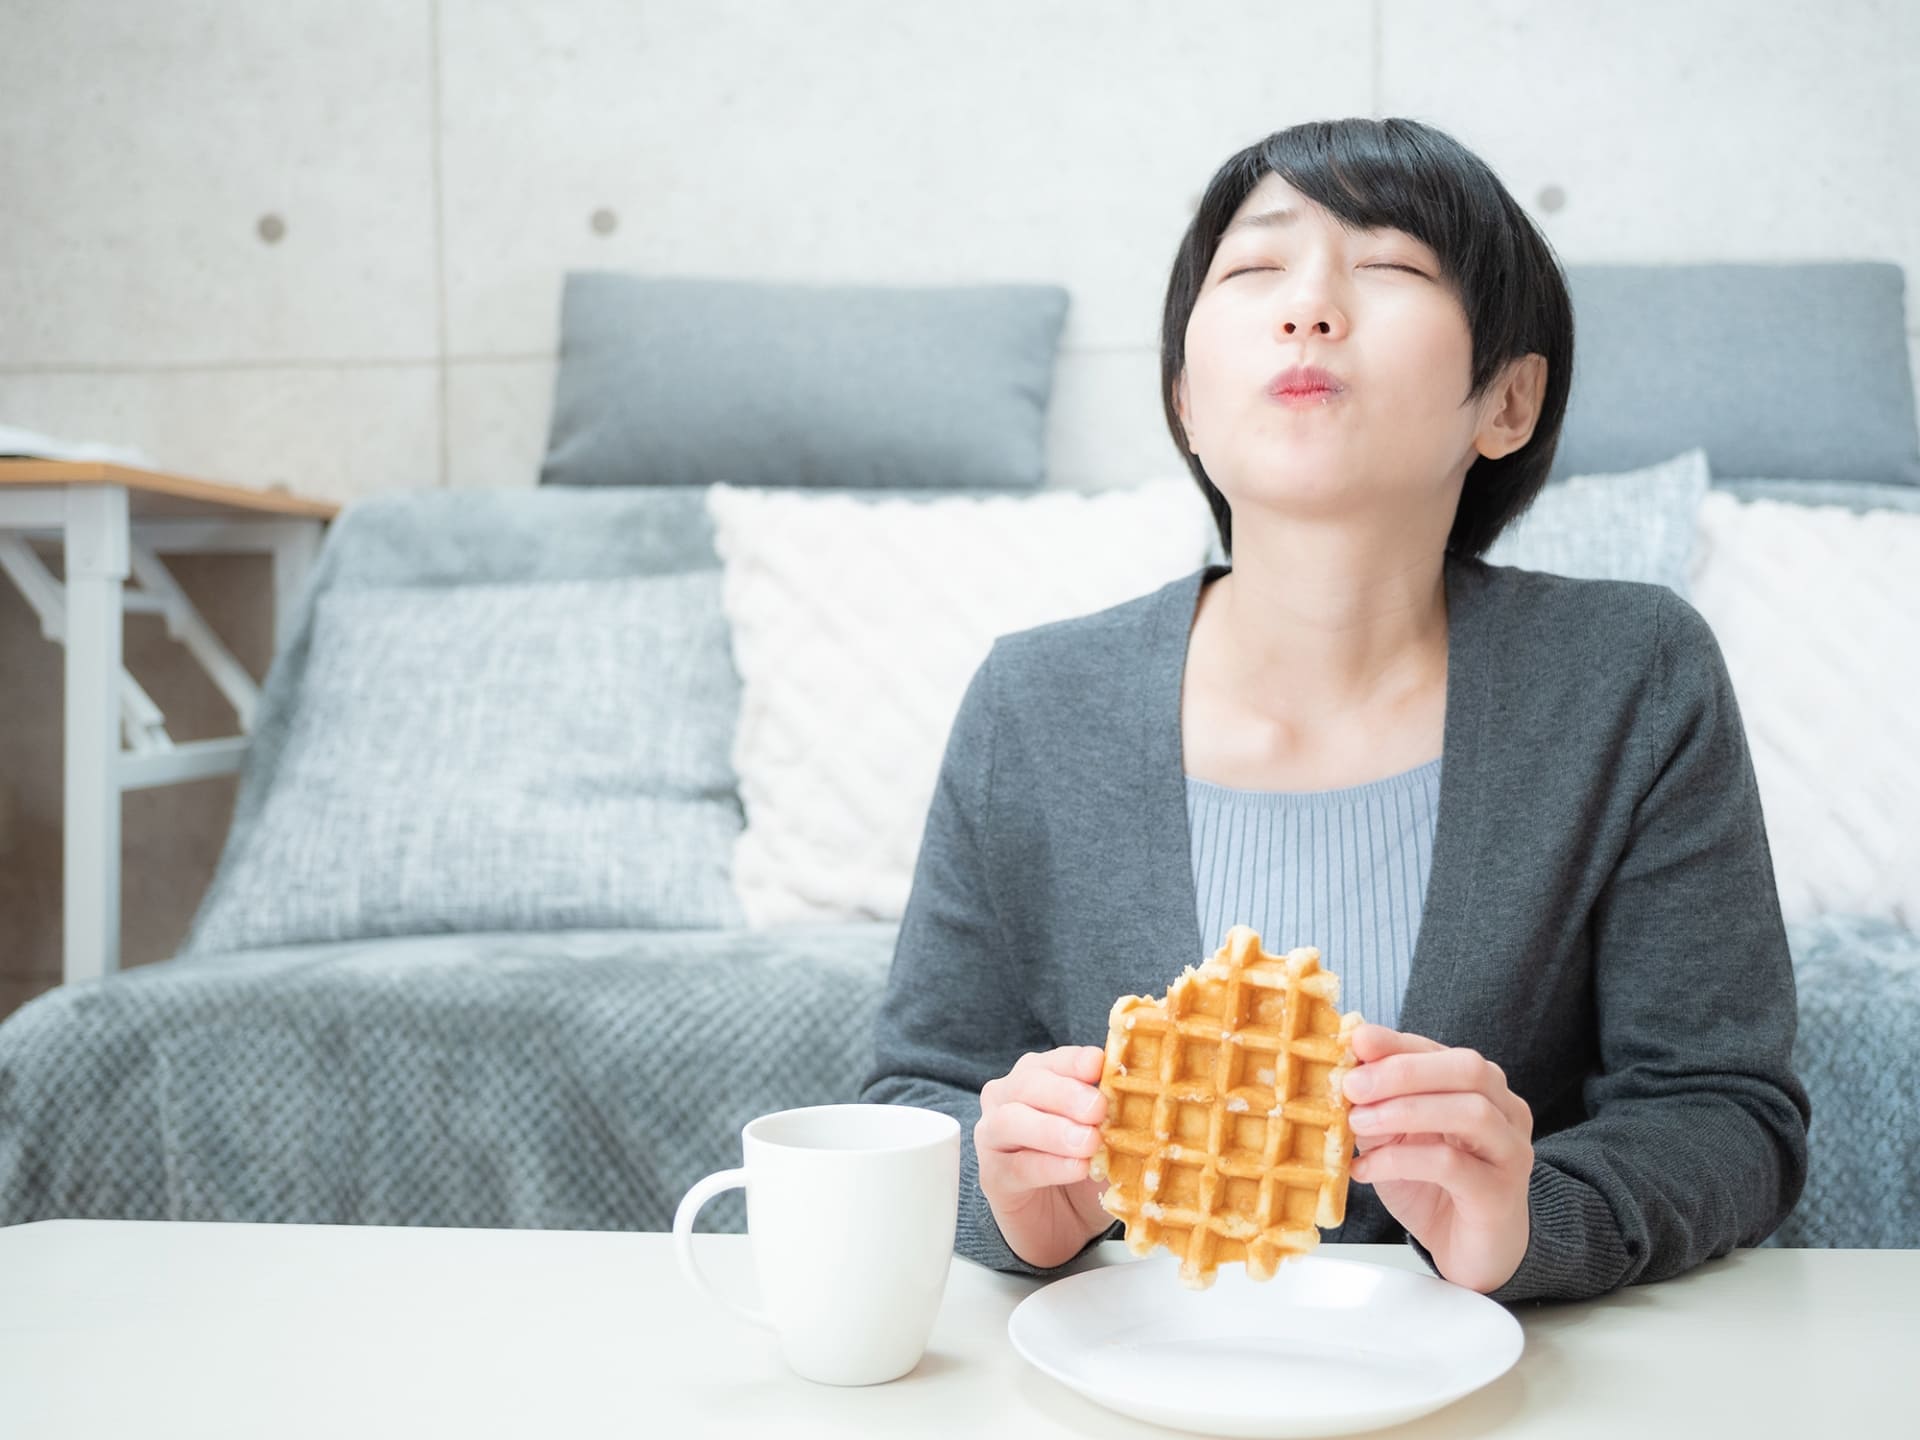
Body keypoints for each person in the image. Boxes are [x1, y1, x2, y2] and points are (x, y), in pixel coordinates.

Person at [858, 116, 1810, 1304]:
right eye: (1255, 269)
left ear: (1507, 401)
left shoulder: (1631, 676)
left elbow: (1727, 1113)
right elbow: (914, 1095)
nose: (1308, 308)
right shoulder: (1035, 701)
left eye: (1392, 266)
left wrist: (1530, 1221)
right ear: (1187, 401)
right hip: (1131, 1386)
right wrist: (1008, 1201)